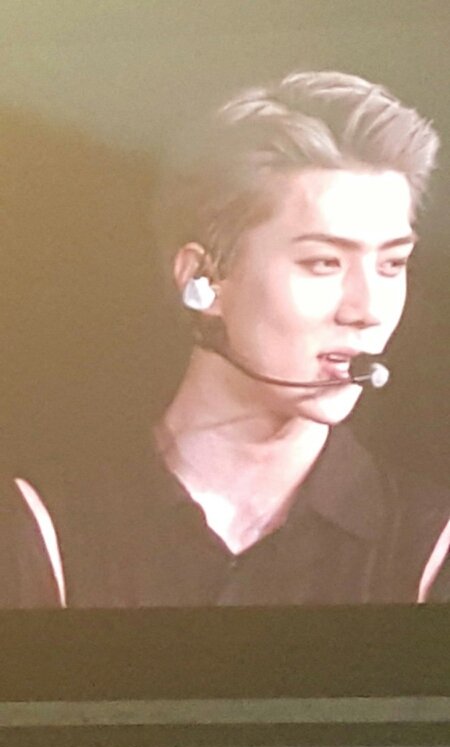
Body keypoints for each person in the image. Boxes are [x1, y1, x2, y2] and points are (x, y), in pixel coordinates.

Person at [8, 70, 450, 606]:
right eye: (323, 263)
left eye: (392, 264)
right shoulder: (46, 528)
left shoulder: (431, 546)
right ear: (203, 277)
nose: (368, 311)